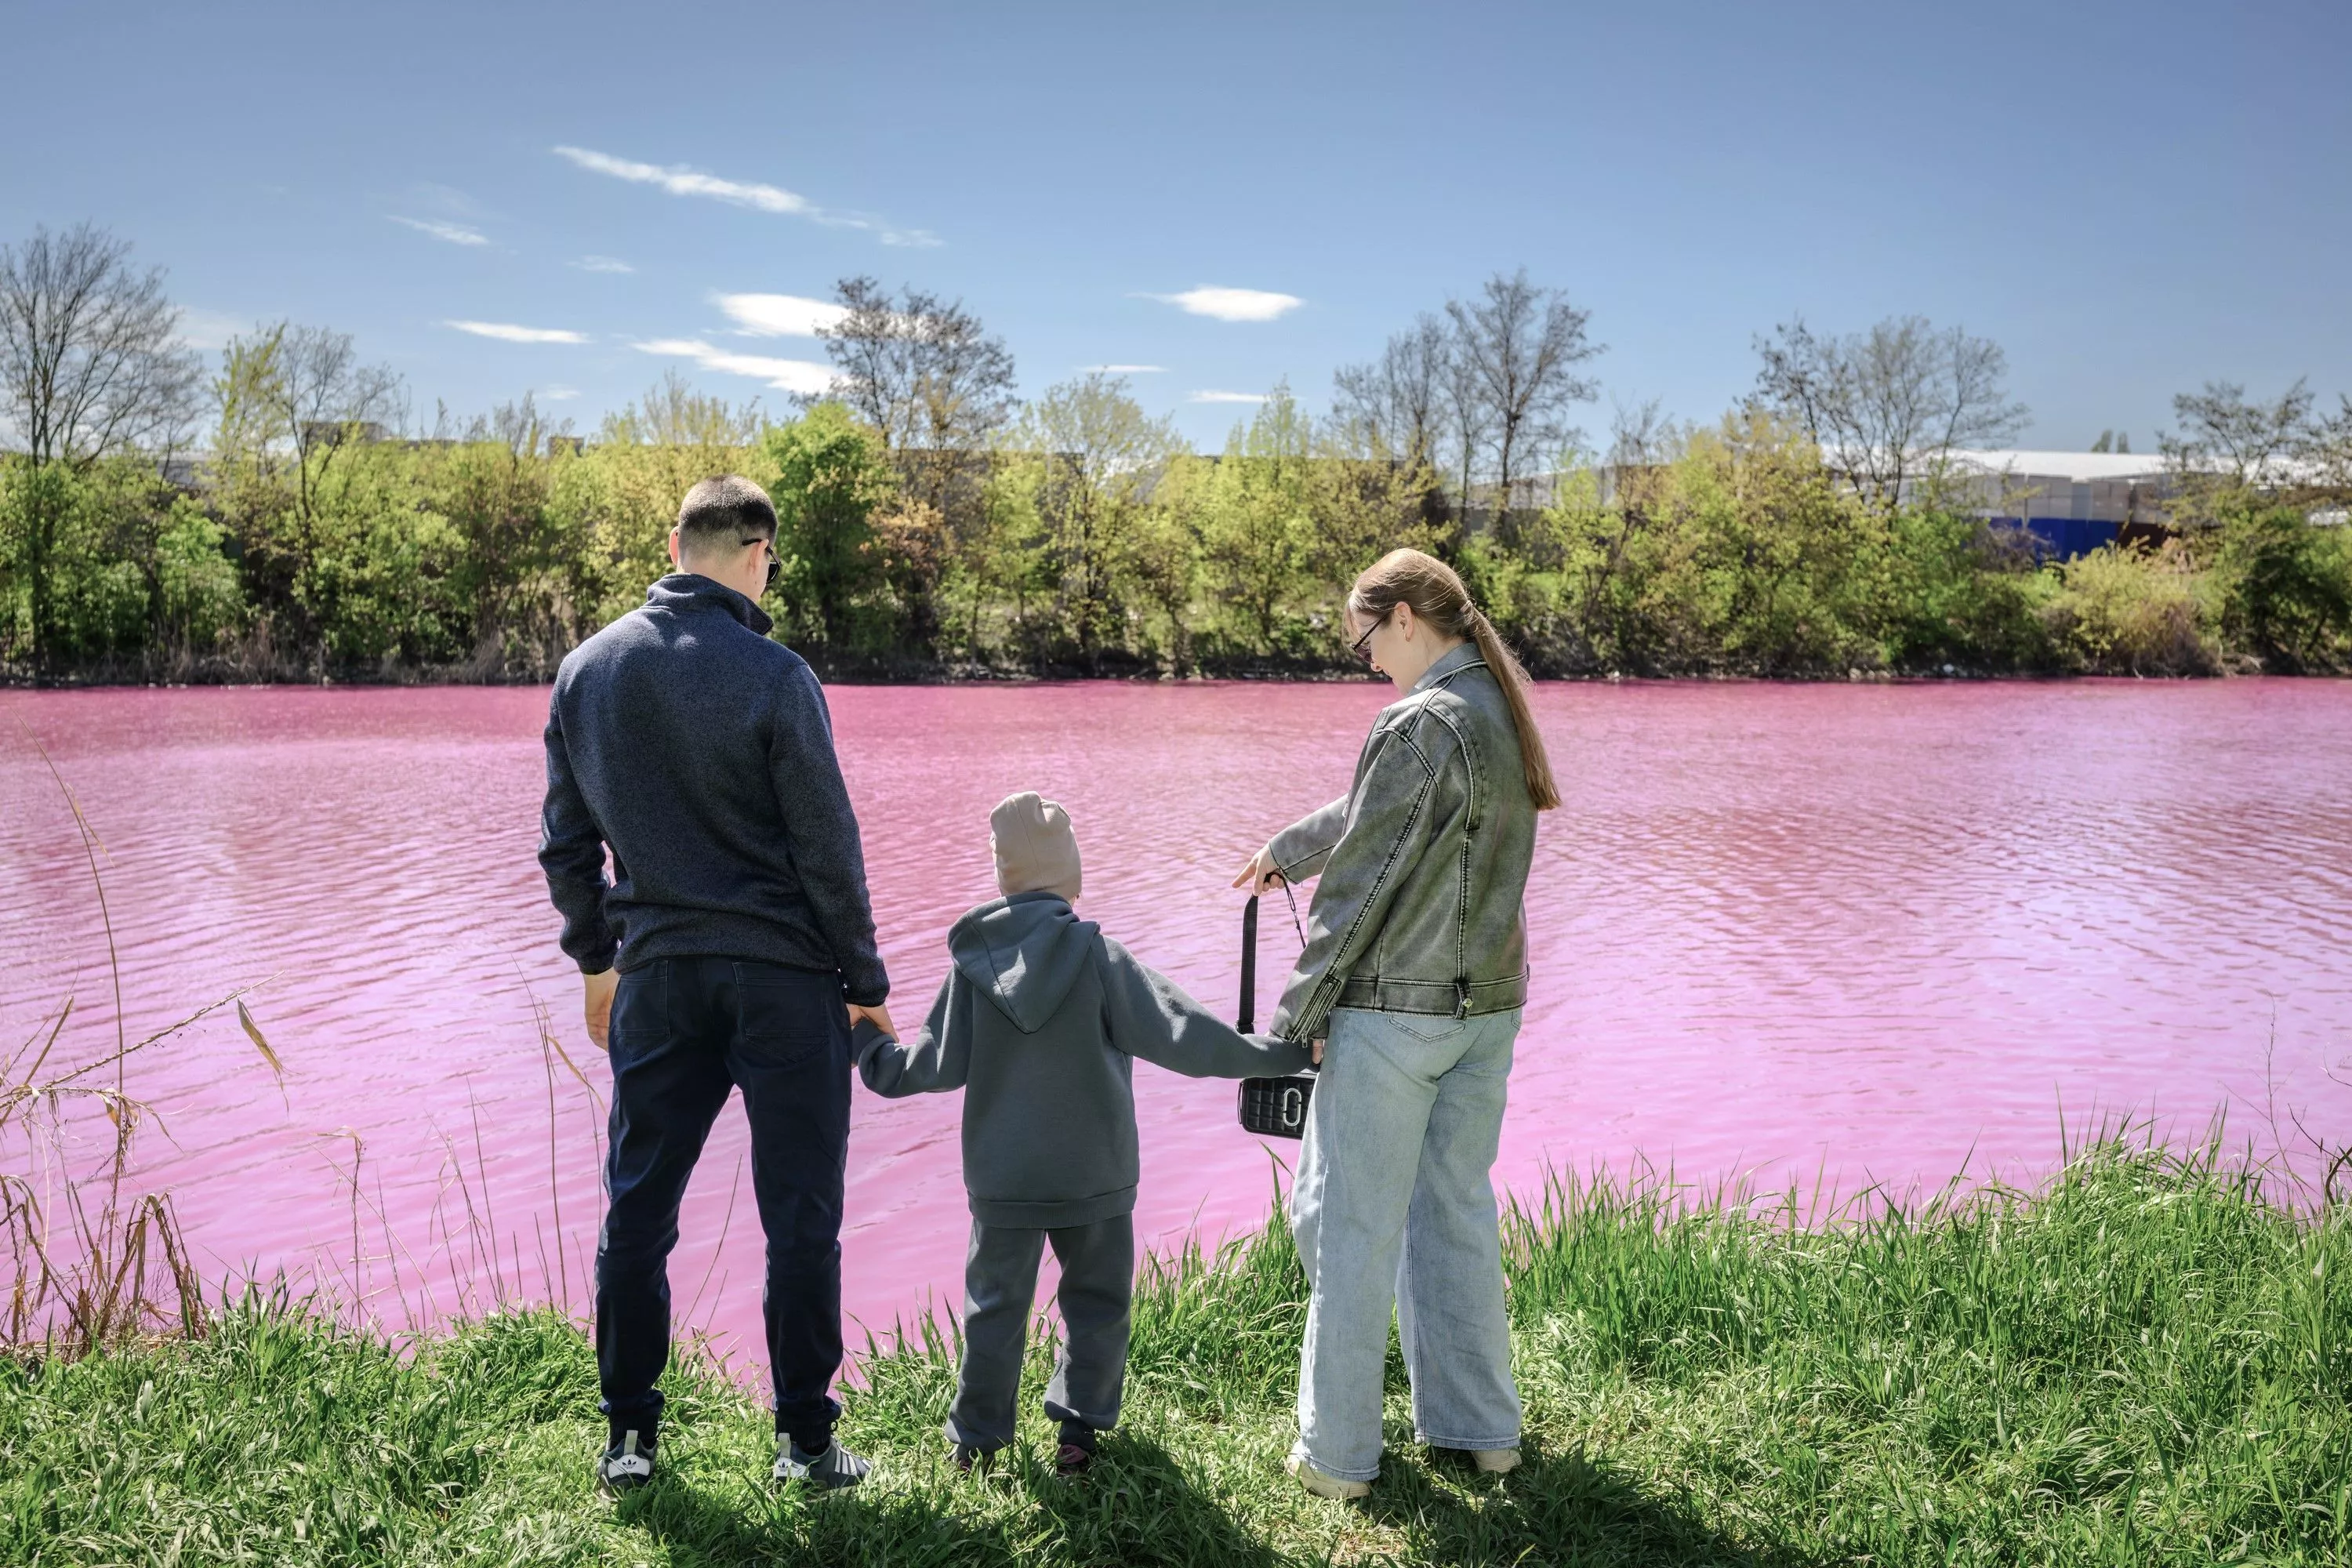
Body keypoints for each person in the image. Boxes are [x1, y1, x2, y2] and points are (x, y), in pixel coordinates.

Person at [539, 474, 895, 1494]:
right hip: (784, 984)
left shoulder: (586, 671)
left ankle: (630, 1440)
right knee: (800, 1218)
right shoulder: (779, 676)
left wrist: (597, 963)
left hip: (656, 980)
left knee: (637, 1211)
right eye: (770, 560)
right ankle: (805, 1444)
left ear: (673, 544)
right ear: (757, 554)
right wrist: (864, 980)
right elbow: (828, 850)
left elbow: (566, 846)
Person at [856, 791, 1312, 1476]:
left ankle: (975, 1443)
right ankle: (1077, 1436)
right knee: (1098, 1305)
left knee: (993, 1309)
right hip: (1094, 1173)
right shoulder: (1099, 957)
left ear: (1004, 876)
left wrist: (868, 1045)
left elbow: (925, 1068)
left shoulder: (973, 967)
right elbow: (1187, 1038)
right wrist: (1284, 1054)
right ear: (1070, 874)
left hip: (1004, 1178)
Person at [1232, 547, 1559, 1501]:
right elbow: (1386, 810)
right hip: (1486, 1011)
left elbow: (1359, 886)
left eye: (1367, 638)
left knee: (1344, 1225)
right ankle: (1483, 1432)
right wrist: (1288, 847)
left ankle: (1336, 1458)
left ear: (1406, 617)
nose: (1368, 657)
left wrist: (1295, 1018)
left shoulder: (1417, 720)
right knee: (1454, 1213)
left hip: (1396, 1018)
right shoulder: (1498, 707)